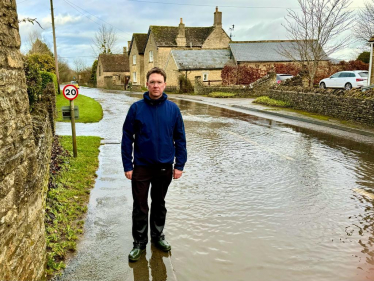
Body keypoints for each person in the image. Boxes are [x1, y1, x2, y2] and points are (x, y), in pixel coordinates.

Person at [121, 67, 187, 262]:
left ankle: (157, 237)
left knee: (159, 204)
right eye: (152, 82)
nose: (155, 85)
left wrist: (179, 165)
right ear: (147, 84)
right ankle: (139, 243)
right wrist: (128, 165)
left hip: (164, 167)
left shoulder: (173, 109)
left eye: (159, 82)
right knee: (140, 206)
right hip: (141, 166)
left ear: (164, 84)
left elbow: (180, 138)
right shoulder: (136, 108)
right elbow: (127, 138)